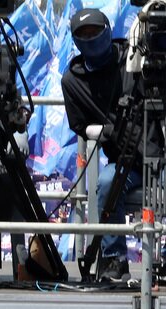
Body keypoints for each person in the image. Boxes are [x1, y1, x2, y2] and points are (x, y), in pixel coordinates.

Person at [61, 7, 137, 284]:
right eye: (84, 35)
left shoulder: (134, 60)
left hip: (156, 152)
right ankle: (115, 260)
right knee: (105, 183)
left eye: (96, 32)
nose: (91, 38)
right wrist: (106, 132)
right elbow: (79, 125)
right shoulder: (72, 81)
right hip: (124, 159)